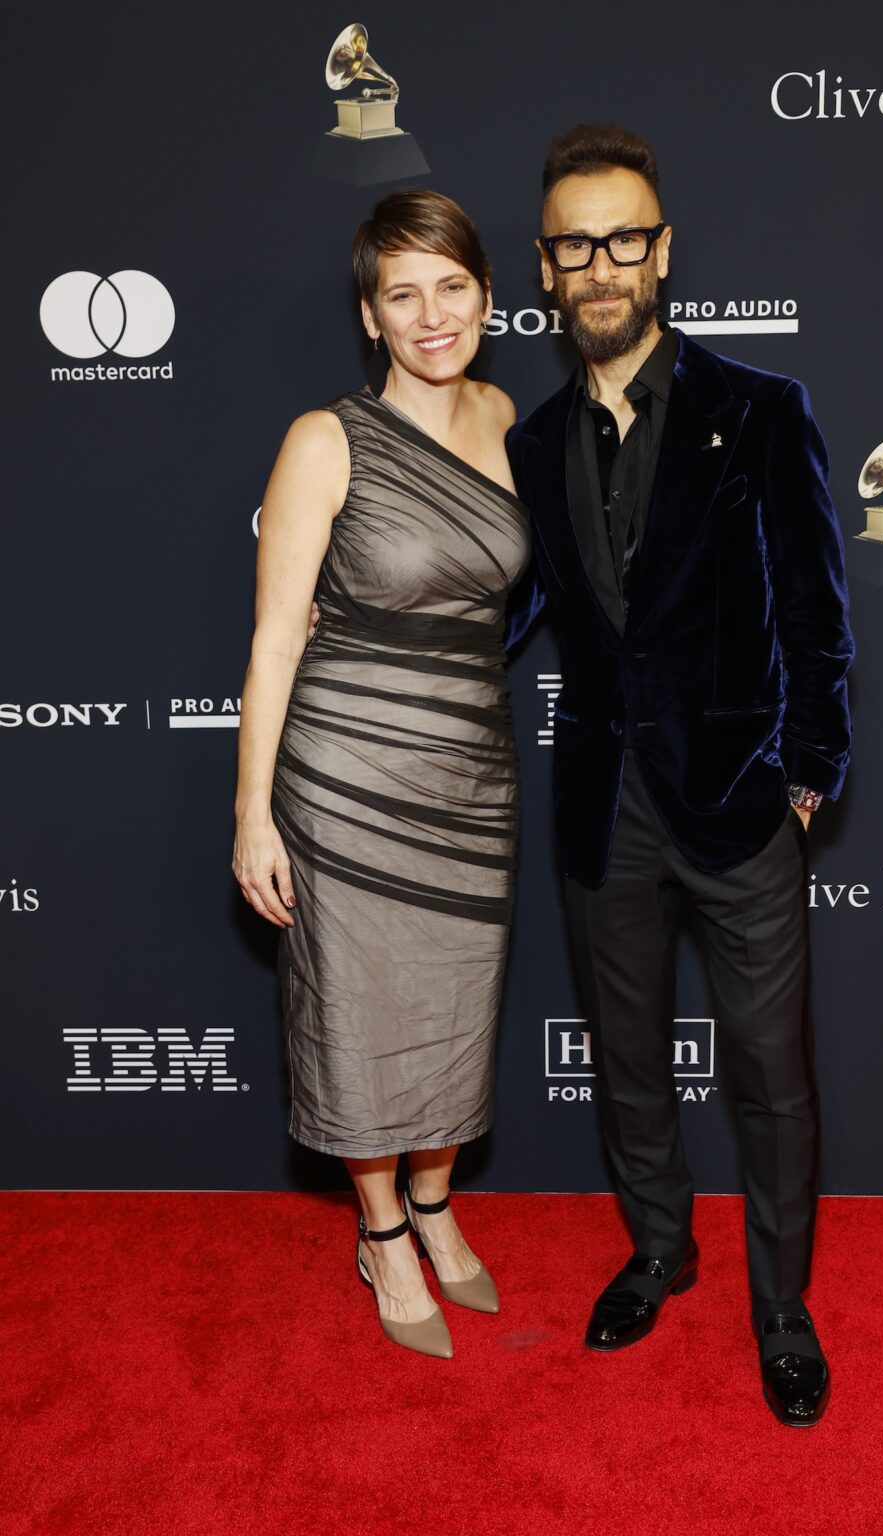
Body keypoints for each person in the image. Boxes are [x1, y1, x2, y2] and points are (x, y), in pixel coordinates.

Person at [505, 124, 854, 1426]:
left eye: (623, 239)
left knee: (770, 1073)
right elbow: (515, 608)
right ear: (546, 267)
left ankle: (781, 1307)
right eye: (574, 245)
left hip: (739, 798)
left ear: (662, 253)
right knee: (630, 1058)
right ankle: (660, 1249)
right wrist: (370, 626)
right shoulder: (535, 445)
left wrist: (809, 769)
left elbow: (819, 610)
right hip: (604, 806)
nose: (600, 265)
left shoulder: (761, 411)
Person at [233, 190, 531, 1359]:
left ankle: (440, 1205)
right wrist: (253, 813)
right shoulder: (326, 439)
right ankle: (381, 1231)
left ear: (487, 296)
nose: (431, 313)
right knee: (359, 1016)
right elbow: (276, 634)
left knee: (456, 1008)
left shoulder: (508, 416)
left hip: (471, 770)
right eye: (401, 293)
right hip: (346, 776)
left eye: (450, 285)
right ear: (371, 316)